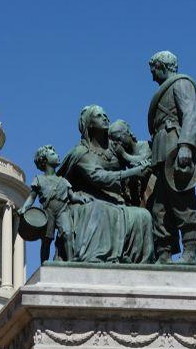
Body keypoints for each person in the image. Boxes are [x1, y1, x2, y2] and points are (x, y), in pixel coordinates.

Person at [58, 105, 155, 263]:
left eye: (105, 114)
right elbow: (99, 177)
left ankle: (138, 262)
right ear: (89, 123)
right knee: (100, 211)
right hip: (86, 200)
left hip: (115, 201)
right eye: (98, 115)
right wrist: (133, 172)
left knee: (143, 216)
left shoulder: (113, 147)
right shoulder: (81, 153)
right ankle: (97, 257)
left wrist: (145, 162)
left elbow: (133, 159)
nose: (105, 117)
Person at [146, 50, 196, 265]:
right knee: (159, 207)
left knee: (182, 200)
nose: (152, 76)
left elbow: (191, 113)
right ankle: (164, 254)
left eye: (154, 70)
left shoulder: (181, 83)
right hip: (161, 152)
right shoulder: (166, 88)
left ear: (162, 66)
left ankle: (190, 253)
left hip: (175, 149)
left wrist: (186, 145)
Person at [19, 145, 91, 262]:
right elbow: (32, 197)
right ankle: (44, 264)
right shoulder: (39, 180)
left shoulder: (63, 181)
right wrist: (24, 208)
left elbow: (72, 196)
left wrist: (80, 199)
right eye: (53, 154)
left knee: (68, 234)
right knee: (47, 240)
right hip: (48, 212)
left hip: (63, 210)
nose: (57, 156)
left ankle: (71, 261)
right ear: (44, 160)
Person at [109, 119, 153, 207]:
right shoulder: (121, 157)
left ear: (127, 133)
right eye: (115, 141)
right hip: (134, 195)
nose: (119, 143)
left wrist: (124, 155)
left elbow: (143, 160)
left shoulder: (145, 145)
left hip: (149, 188)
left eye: (119, 138)